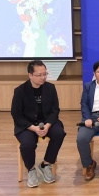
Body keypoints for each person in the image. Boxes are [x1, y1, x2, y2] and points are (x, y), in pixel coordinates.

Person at [11, 60, 66, 188]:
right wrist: (34, 128)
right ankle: (31, 169)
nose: (43, 77)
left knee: (59, 133)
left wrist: (47, 125)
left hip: (46, 122)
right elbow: (16, 115)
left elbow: (55, 110)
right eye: (39, 75)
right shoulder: (20, 91)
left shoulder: (50, 88)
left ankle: (46, 164)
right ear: (30, 75)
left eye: (45, 74)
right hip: (27, 125)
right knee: (27, 144)